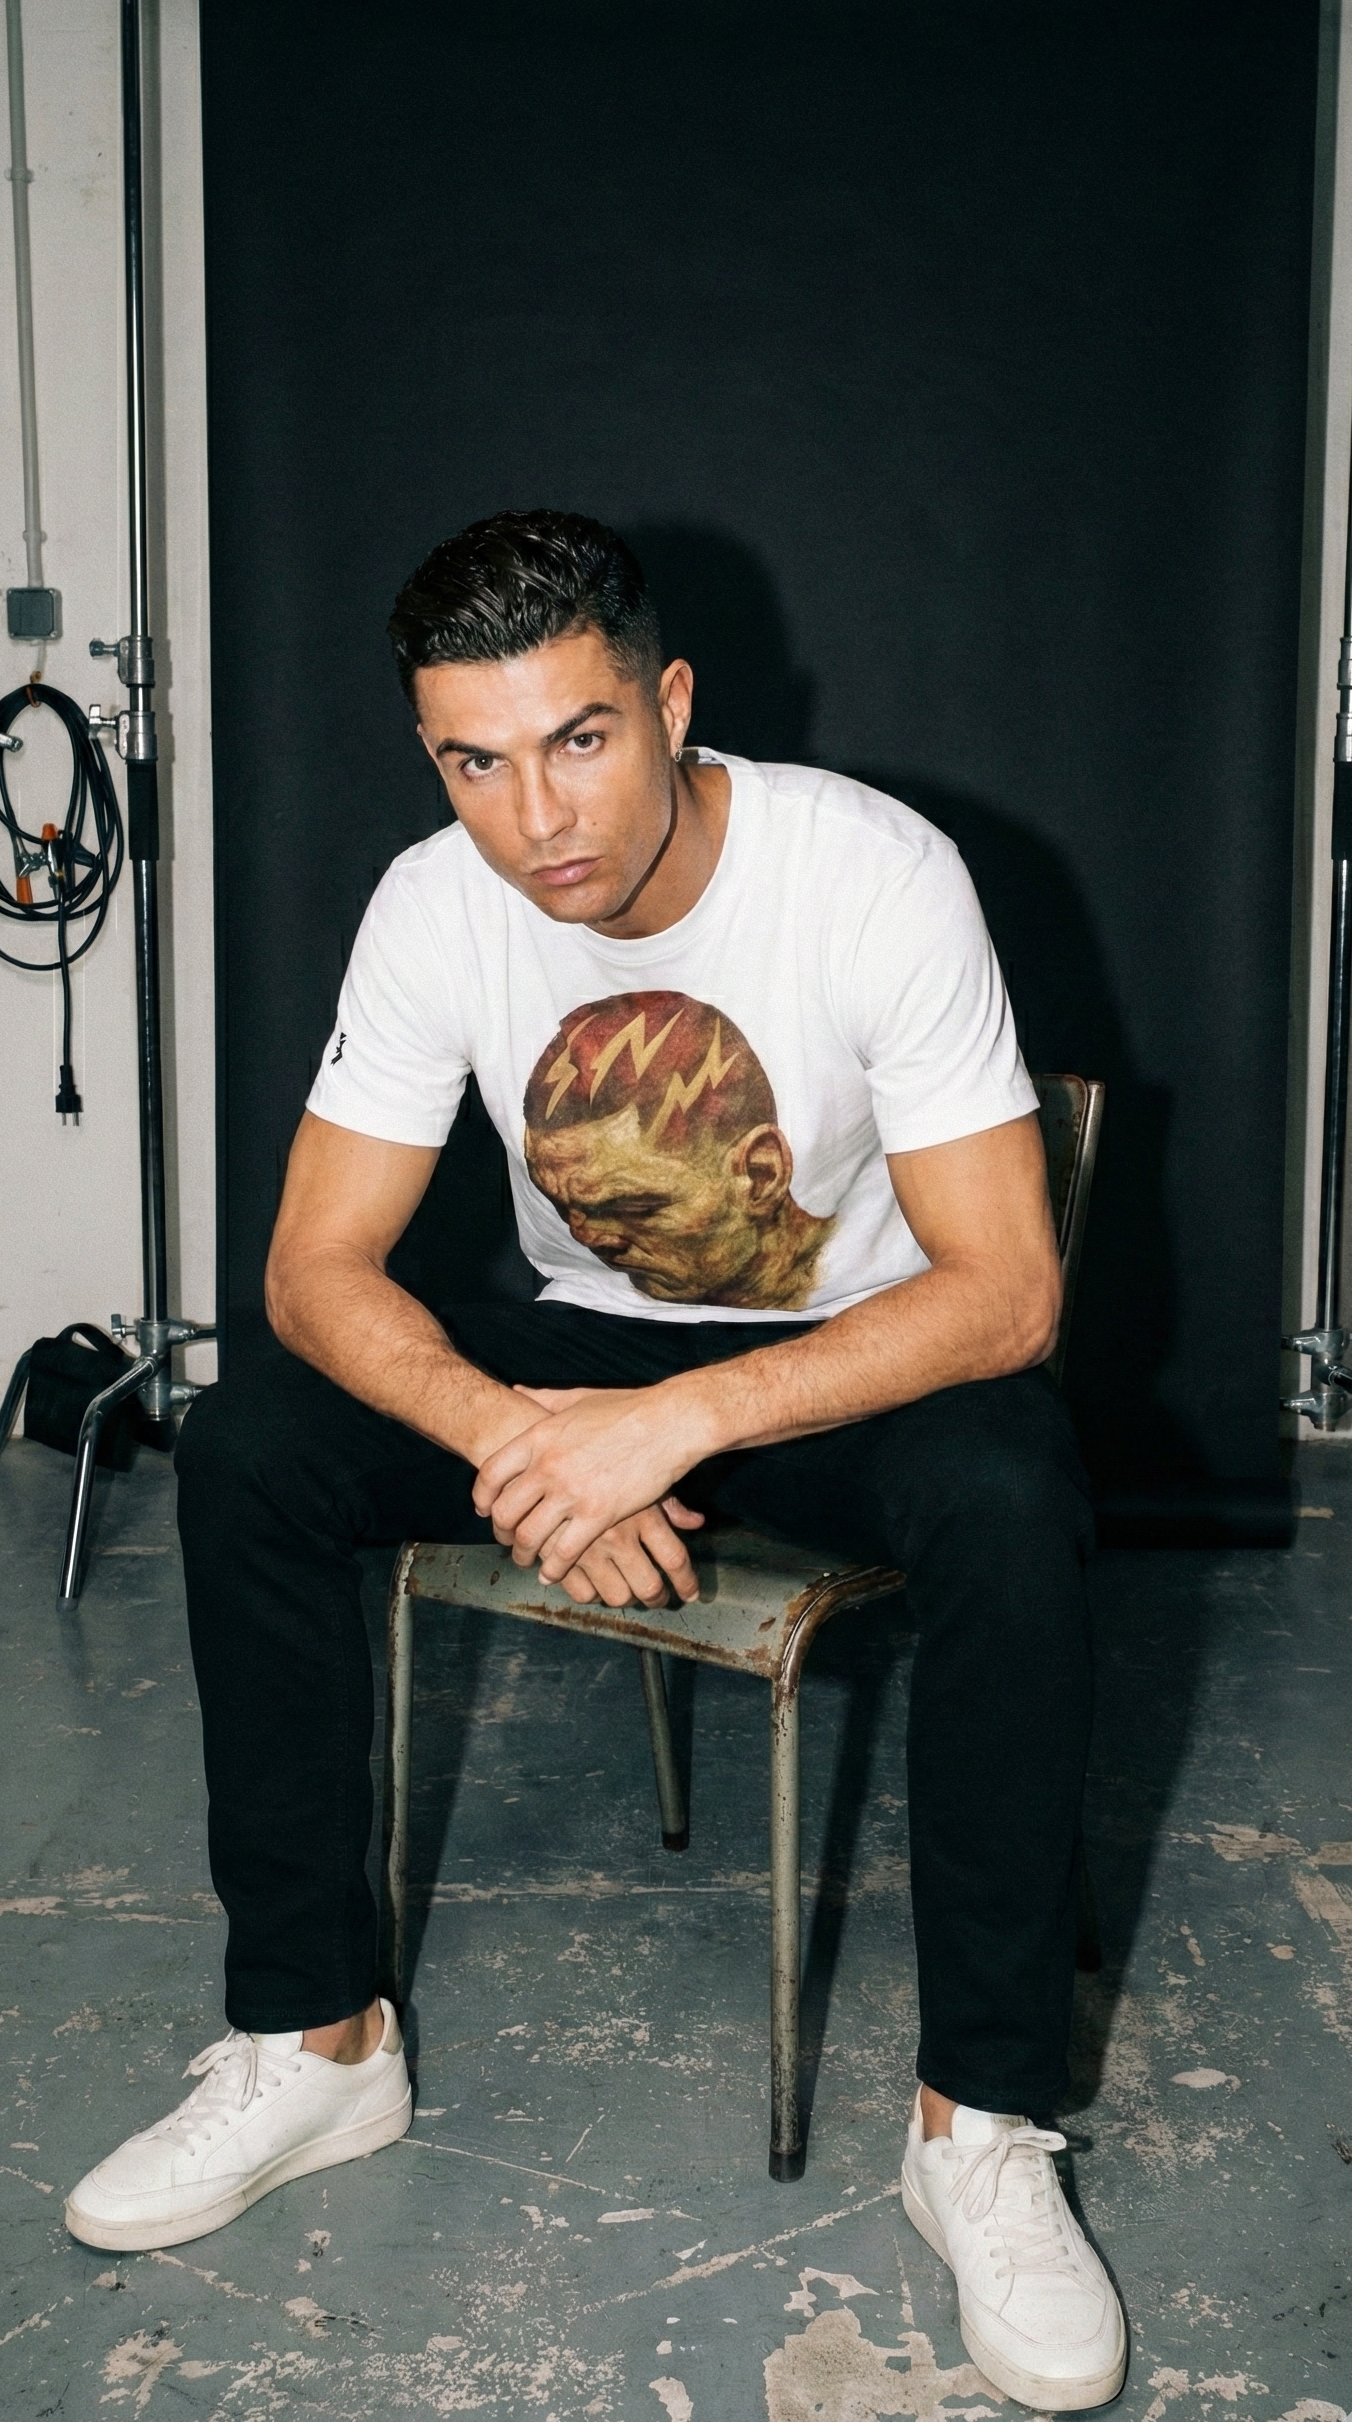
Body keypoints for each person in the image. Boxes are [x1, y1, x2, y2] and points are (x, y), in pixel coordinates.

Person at [65, 510, 1126, 2412]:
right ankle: (317, 2050)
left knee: (1013, 1487)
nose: (534, 814)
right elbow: (312, 1270)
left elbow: (1013, 1290)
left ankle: (983, 2123)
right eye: (474, 759)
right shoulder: (430, 903)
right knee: (249, 1453)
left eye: (578, 738)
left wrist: (677, 1423)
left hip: (851, 1361)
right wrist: (522, 1435)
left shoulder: (874, 876)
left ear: (673, 705)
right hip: (579, 1357)